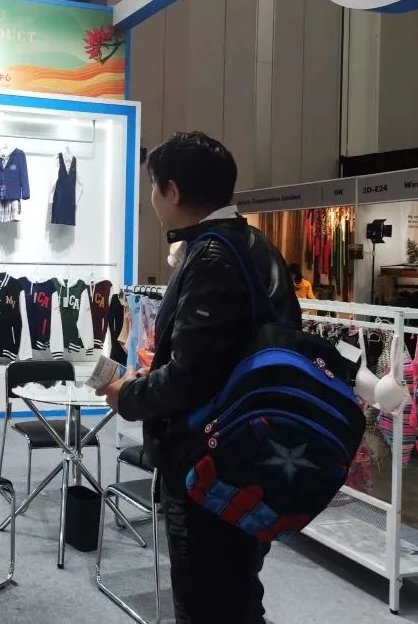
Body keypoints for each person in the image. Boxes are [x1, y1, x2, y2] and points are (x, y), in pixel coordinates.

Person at [97, 132, 300, 623]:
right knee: (235, 593)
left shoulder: (212, 257)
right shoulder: (253, 246)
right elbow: (221, 357)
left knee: (206, 599)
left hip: (210, 466)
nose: (151, 200)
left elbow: (191, 379)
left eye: (153, 188)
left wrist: (129, 395)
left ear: (172, 190)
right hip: (248, 452)